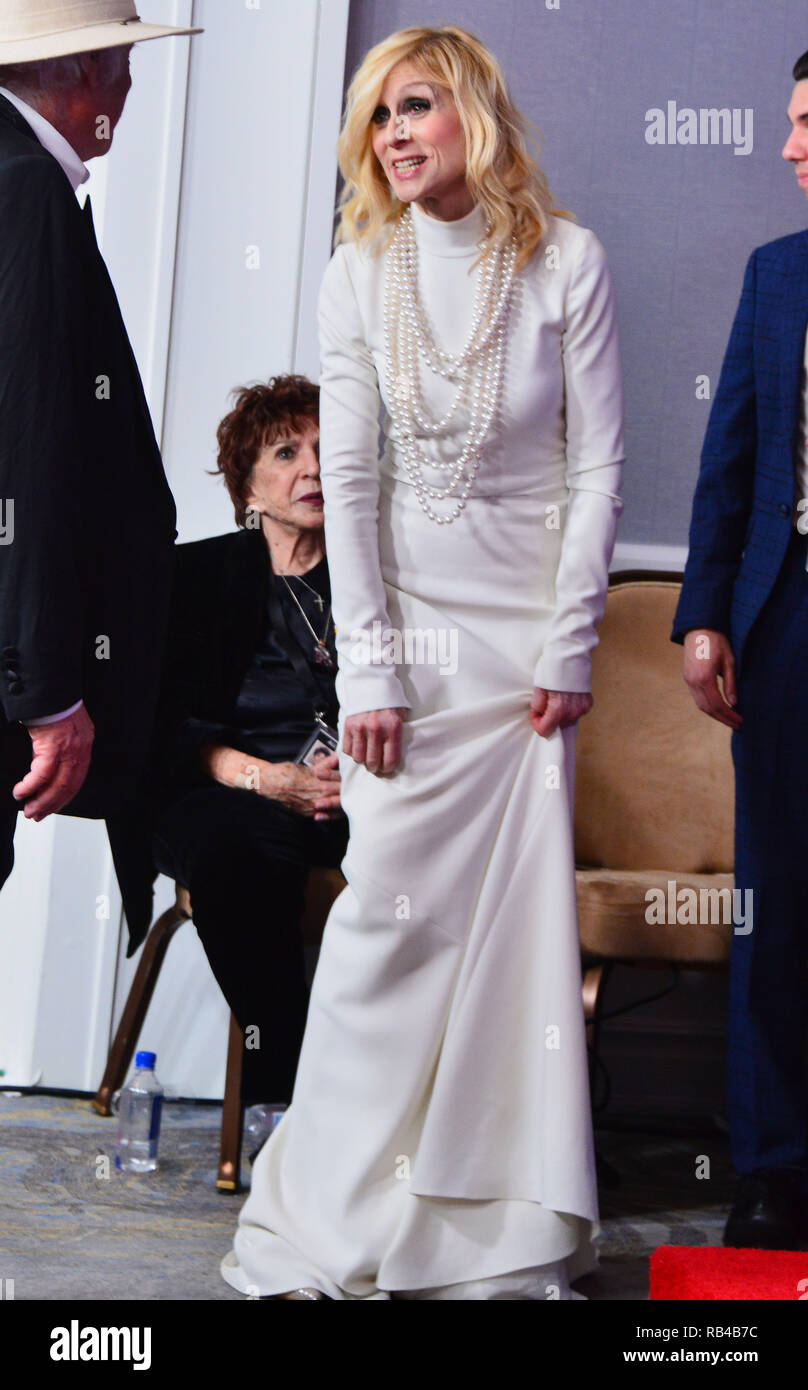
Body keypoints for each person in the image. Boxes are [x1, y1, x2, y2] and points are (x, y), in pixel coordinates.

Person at [221, 24, 624, 1301]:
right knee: (383, 935)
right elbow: (351, 483)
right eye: (376, 117)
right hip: (411, 654)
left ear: (475, 117)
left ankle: (491, 1236)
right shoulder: (358, 271)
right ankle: (334, 1213)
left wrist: (569, 643)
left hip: (524, 668)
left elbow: (598, 467)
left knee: (509, 955)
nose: (393, 135)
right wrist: (373, 674)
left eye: (416, 108)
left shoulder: (568, 263)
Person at [0, 0, 201, 888]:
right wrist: (46, 688)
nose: (130, 80)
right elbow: (26, 455)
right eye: (122, 59)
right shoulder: (25, 187)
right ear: (79, 72)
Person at [672, 48, 808, 1252]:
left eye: (806, 123)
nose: (787, 147)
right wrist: (704, 612)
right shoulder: (776, 277)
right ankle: (772, 1174)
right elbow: (731, 459)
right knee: (777, 903)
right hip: (789, 621)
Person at [141, 376, 348, 1110]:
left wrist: (358, 777)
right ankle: (283, 1107)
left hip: (356, 799)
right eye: (287, 452)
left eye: (325, 449)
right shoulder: (200, 578)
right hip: (222, 790)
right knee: (238, 858)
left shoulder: (380, 580)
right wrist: (263, 777)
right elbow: (159, 727)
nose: (313, 468)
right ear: (248, 489)